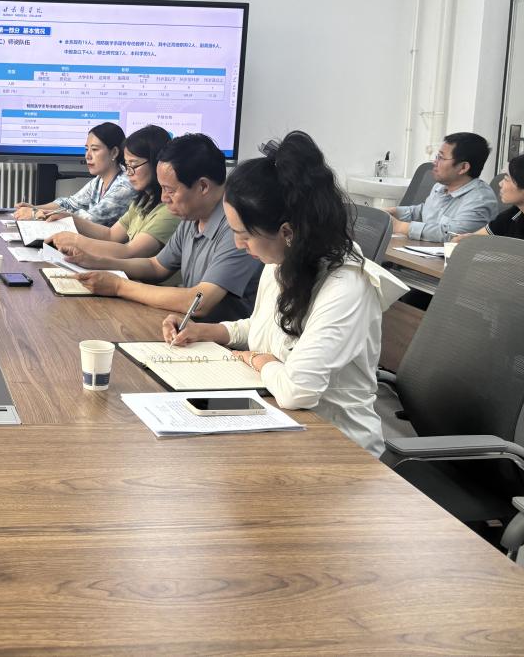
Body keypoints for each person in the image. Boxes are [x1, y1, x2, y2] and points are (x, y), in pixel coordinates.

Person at [163, 132, 407, 456]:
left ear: (287, 232)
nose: (238, 244)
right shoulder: (281, 260)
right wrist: (208, 331)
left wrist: (257, 360)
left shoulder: (347, 286)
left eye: (244, 235)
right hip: (277, 418)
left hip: (337, 447)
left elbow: (297, 390)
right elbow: (262, 326)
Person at [72, 133, 261, 322]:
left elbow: (200, 302)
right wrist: (97, 262)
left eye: (170, 190)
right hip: (187, 327)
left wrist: (118, 286)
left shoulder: (237, 228)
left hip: (219, 337)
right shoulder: (193, 216)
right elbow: (156, 266)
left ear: (203, 186)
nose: (163, 198)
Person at [46, 125, 181, 267]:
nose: (128, 173)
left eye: (134, 165)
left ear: (157, 164)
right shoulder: (143, 200)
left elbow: (129, 252)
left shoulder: (169, 210)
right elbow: (111, 235)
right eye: (127, 165)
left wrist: (76, 241)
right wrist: (70, 218)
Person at [13, 122, 136, 226]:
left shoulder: (124, 186)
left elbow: (89, 219)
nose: (87, 156)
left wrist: (36, 214)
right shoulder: (99, 180)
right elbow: (69, 204)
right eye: (86, 149)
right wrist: (35, 208)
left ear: (114, 152)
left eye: (94, 149)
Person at [386, 132, 497, 241]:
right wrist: (394, 212)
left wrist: (401, 227)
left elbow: (454, 234)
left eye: (441, 158)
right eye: (437, 156)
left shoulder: (480, 200)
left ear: (463, 167)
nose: (435, 162)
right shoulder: (440, 187)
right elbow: (424, 212)